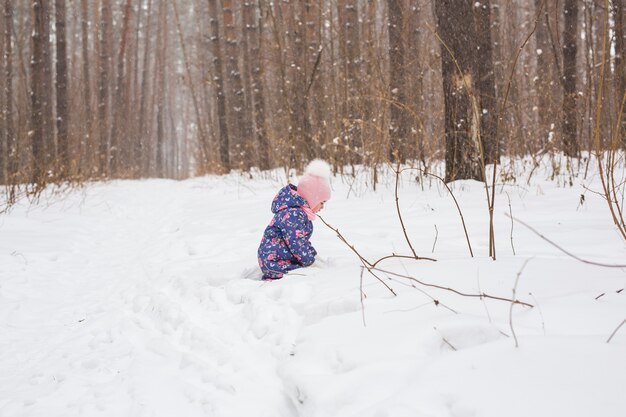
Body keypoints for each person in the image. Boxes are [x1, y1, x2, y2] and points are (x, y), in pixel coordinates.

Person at [257, 159, 332, 281]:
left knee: (307, 271)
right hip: (274, 263)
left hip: (281, 259)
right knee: (307, 275)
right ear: (313, 198)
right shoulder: (293, 214)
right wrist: (310, 263)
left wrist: (315, 256)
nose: (323, 207)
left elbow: (302, 241)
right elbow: (296, 242)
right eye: (322, 202)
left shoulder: (298, 213)